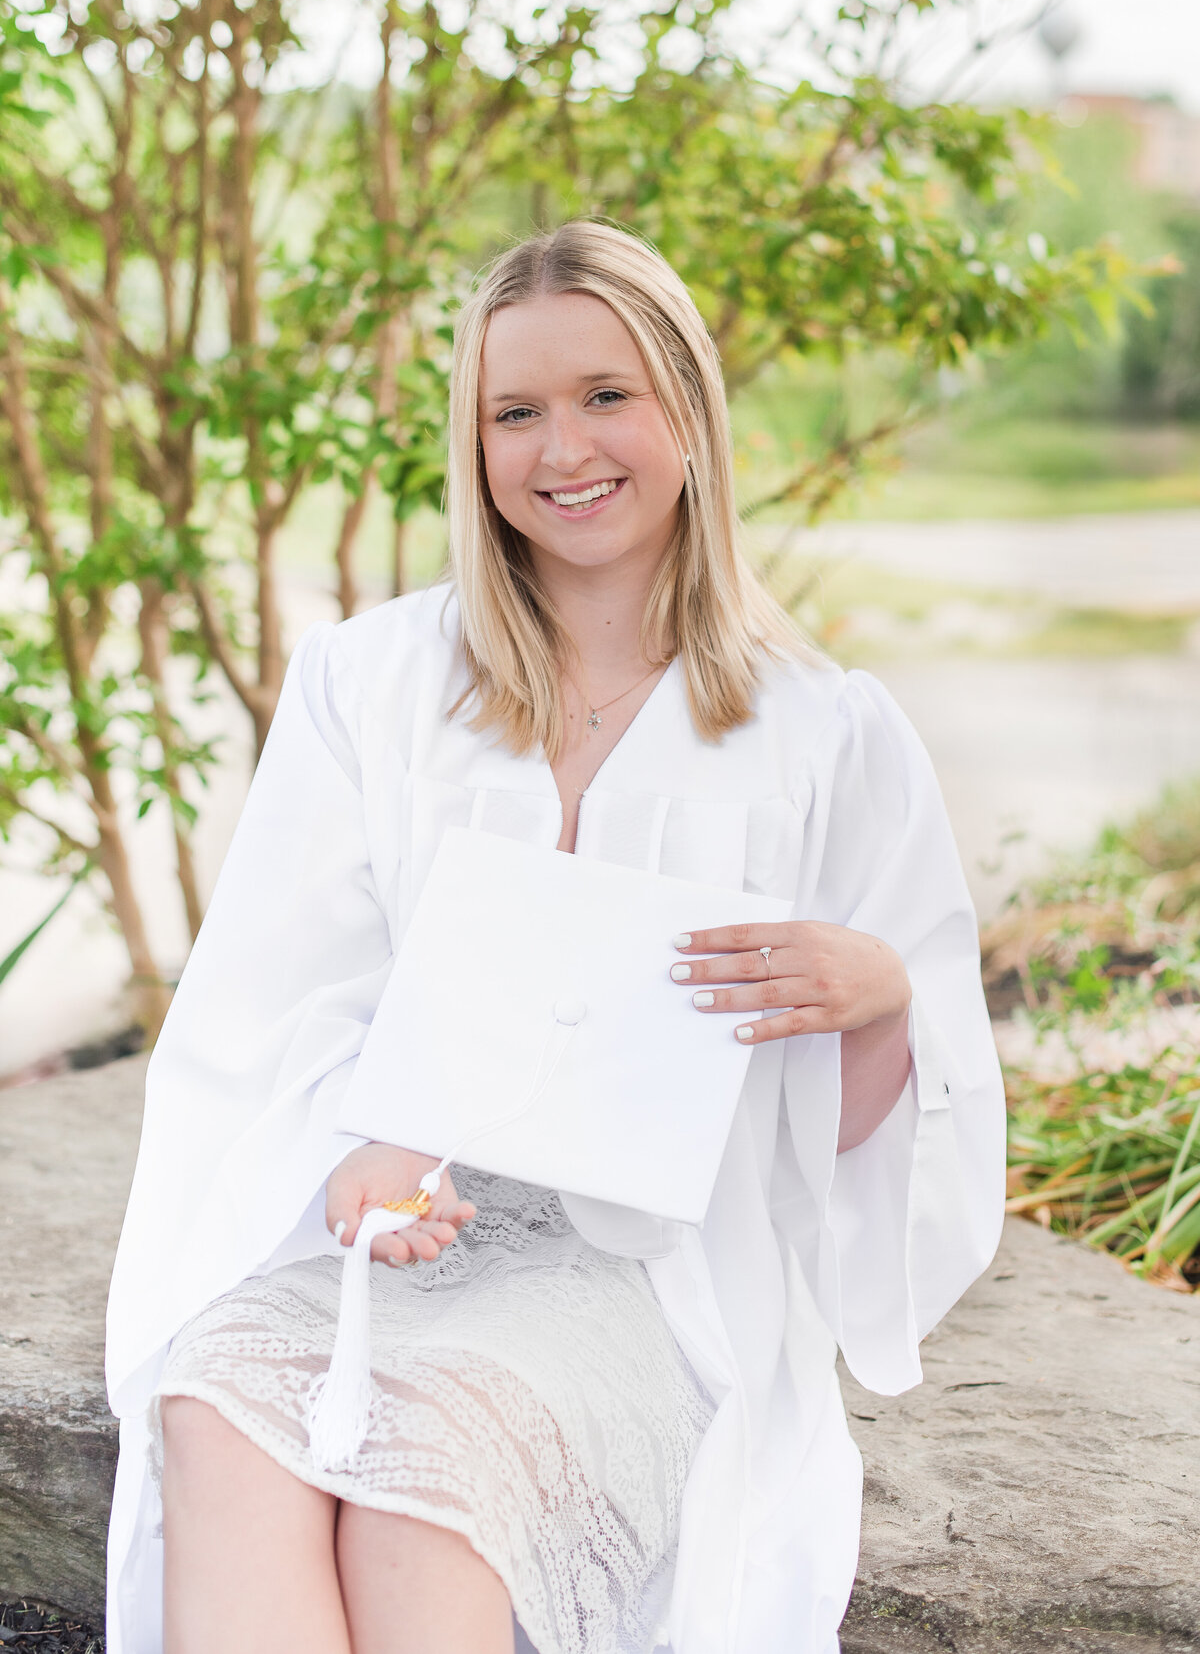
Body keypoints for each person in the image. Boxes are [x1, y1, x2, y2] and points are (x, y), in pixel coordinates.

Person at [104, 221, 1007, 1654]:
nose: (561, 446)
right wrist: (357, 1146)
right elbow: (273, 999)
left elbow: (866, 1159)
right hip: (397, 1236)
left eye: (606, 395)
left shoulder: (824, 731)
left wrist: (882, 1000)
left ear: (690, 418)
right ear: (474, 448)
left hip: (650, 1270)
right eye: (514, 410)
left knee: (429, 1481)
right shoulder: (375, 684)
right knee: (216, 1404)